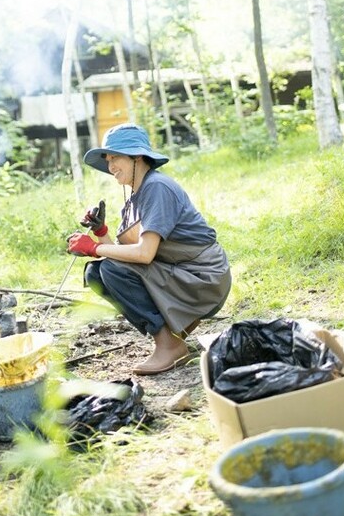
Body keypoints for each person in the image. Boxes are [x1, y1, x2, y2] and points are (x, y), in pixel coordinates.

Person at [67, 123, 231, 376]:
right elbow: (125, 258)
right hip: (175, 270)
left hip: (202, 276)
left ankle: (170, 344)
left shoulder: (157, 187)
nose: (111, 167)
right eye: (108, 160)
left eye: (116, 158)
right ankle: (172, 332)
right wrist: (101, 232)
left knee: (108, 268)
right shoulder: (133, 198)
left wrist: (95, 248)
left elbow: (144, 255)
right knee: (97, 273)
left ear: (138, 157)